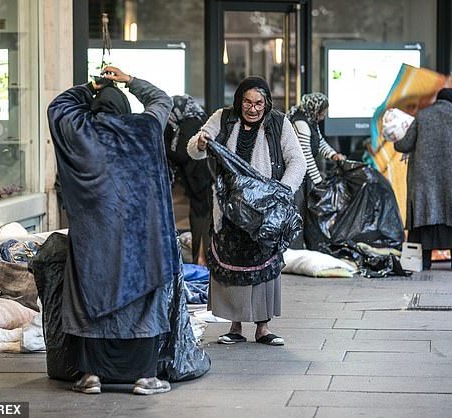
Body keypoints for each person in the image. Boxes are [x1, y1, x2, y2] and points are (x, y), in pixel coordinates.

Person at [47, 66, 179, 395]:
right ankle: (145, 378)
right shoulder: (145, 128)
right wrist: (129, 81)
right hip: (140, 244)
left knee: (88, 299)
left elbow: (58, 107)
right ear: (125, 108)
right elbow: (162, 100)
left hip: (94, 242)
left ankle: (90, 376)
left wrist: (90, 87)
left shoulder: (79, 132)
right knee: (142, 304)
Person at [187, 76, 306, 346]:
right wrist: (202, 143)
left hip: (264, 210)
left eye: (258, 103)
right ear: (239, 101)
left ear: (266, 103)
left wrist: (281, 192)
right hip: (230, 209)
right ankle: (235, 325)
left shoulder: (279, 123)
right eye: (247, 102)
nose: (252, 109)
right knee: (231, 265)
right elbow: (194, 148)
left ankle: (263, 327)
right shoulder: (223, 118)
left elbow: (297, 161)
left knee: (264, 265)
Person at [394, 88, 452, 271]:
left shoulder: (422, 117)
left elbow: (405, 145)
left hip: (424, 183)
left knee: (426, 216)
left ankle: (426, 261)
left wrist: (394, 138)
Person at [164, 95, 212, 265]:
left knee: (202, 219)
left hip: (202, 179)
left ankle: (202, 259)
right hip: (197, 180)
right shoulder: (189, 121)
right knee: (200, 218)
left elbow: (182, 154)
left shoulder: (191, 123)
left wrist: (162, 147)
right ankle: (201, 258)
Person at [287, 92, 345, 186]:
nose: (323, 117)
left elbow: (319, 141)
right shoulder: (301, 124)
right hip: (294, 175)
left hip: (303, 174)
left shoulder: (311, 120)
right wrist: (318, 182)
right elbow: (306, 156)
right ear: (315, 110)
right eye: (322, 114)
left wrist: (333, 155)